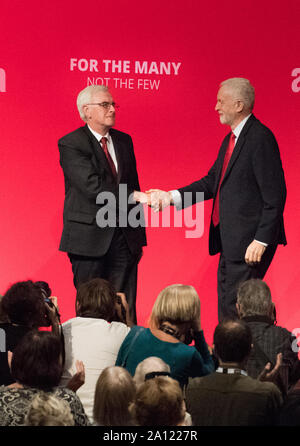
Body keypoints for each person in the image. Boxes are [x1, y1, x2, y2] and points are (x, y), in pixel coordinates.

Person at [143, 78, 286, 320]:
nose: (216, 107)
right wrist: (170, 197)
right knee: (229, 307)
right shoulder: (231, 140)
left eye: (221, 101)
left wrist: (261, 240)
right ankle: (227, 356)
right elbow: (212, 183)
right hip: (230, 241)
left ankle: (236, 356)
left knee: (238, 310)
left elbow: (275, 195)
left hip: (249, 243)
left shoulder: (260, 138)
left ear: (239, 105)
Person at [58, 84, 147, 323]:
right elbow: (92, 188)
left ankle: (123, 359)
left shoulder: (124, 141)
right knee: (91, 310)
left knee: (123, 309)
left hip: (124, 240)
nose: (112, 110)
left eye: (113, 104)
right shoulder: (71, 143)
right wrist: (134, 196)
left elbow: (133, 183)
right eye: (105, 105)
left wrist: (138, 238)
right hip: (88, 241)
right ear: (87, 110)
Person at [60, 278, 132, 422]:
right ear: (113, 308)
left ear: (78, 305)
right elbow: (136, 337)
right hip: (106, 420)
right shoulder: (122, 331)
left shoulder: (62, 329)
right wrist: (125, 315)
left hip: (66, 415)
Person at [185, 319, 283, 426]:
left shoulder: (192, 388)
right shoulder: (267, 393)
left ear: (214, 350)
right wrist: (261, 385)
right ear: (250, 351)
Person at [115, 284, 214, 388]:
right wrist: (198, 332)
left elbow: (117, 372)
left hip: (127, 403)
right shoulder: (188, 354)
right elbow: (209, 373)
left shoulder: (135, 333)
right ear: (193, 315)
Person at [0, 331, 89, 426]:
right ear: (55, 364)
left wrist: (15, 373)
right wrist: (70, 390)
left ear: (16, 358)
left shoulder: (2, 399)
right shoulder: (68, 398)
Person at [236, 279, 300, 395]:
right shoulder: (287, 338)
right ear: (272, 308)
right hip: (276, 409)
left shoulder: (229, 337)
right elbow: (295, 378)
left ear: (238, 309)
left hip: (238, 409)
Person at [0, 280, 60, 386]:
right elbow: (54, 371)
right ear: (37, 311)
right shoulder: (35, 342)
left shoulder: (2, 333)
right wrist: (55, 321)